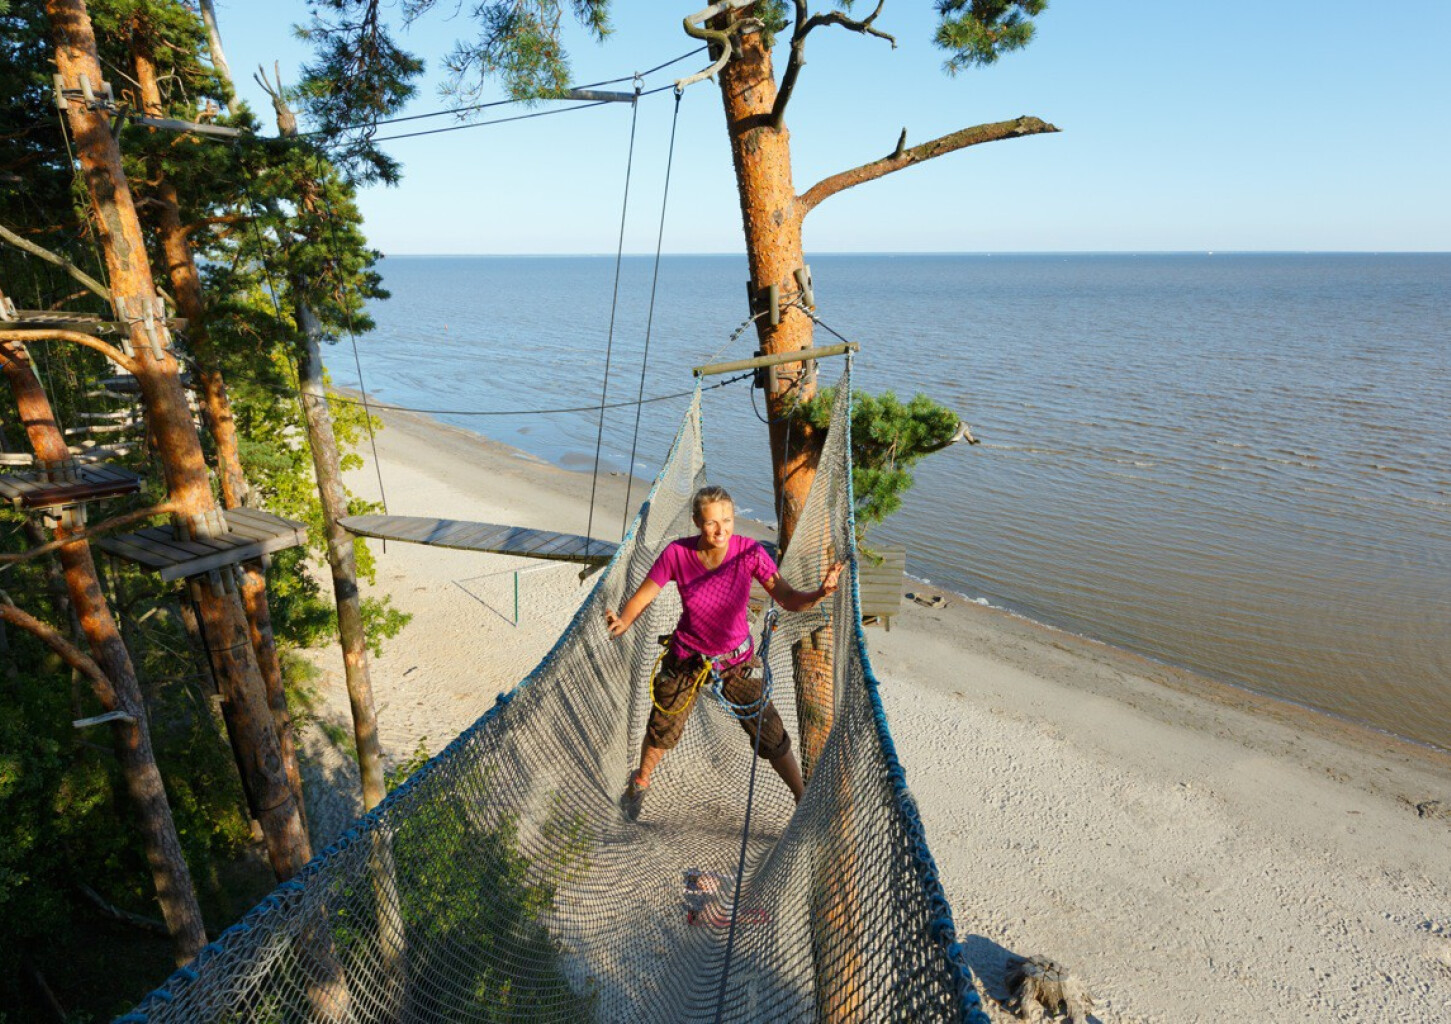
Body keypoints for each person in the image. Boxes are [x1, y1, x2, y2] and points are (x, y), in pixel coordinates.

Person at [605, 485, 844, 821]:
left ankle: (801, 798)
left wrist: (820, 593)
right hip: (686, 660)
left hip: (736, 663)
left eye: (727, 520)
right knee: (662, 728)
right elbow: (645, 595)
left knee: (771, 734)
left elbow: (788, 598)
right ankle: (640, 782)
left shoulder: (749, 553)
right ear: (696, 522)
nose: (721, 530)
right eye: (711, 522)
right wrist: (624, 621)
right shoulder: (676, 554)